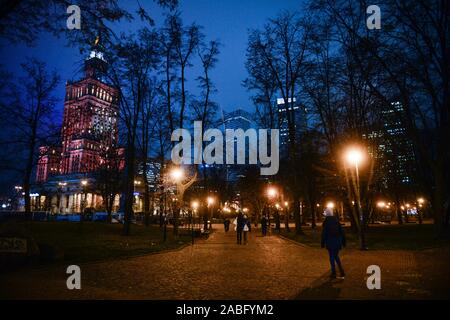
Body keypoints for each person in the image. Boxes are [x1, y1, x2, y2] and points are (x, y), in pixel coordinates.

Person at [321, 207, 346, 279]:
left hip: (330, 241)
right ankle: (341, 271)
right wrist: (343, 242)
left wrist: (322, 243)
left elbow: (324, 234)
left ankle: (334, 272)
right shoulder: (336, 221)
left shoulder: (326, 222)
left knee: (331, 257)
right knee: (336, 256)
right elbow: (342, 232)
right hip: (338, 241)